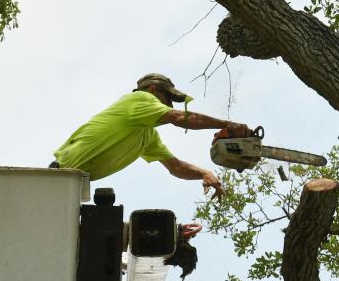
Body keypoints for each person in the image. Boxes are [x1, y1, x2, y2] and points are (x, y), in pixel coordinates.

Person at [51, 73, 252, 200]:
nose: (169, 106)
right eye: (167, 99)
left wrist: (203, 173)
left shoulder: (147, 135)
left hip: (72, 186)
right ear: (152, 90)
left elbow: (176, 167)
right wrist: (226, 124)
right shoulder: (139, 99)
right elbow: (179, 117)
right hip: (56, 176)